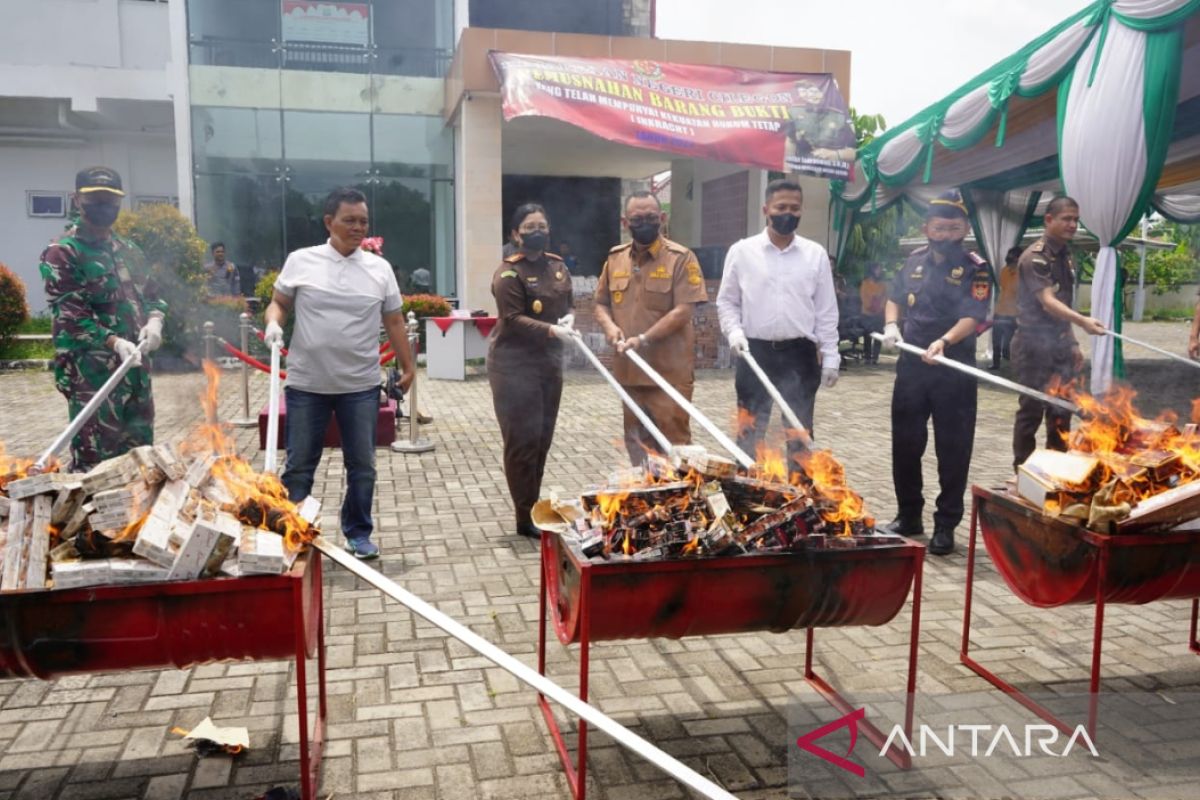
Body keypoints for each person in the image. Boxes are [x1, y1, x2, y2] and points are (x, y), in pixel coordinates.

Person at [264, 187, 415, 560]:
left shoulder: (379, 269)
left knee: (362, 466)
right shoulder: (302, 260)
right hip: (306, 384)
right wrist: (273, 324)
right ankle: (292, 530)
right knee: (300, 465)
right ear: (329, 222)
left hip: (360, 385)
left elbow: (394, 320)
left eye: (363, 221)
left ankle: (358, 532)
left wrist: (409, 366)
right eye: (349, 220)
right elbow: (279, 303)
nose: (357, 227)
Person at [879, 190, 991, 556]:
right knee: (906, 445)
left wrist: (944, 341)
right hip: (912, 367)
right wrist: (893, 326)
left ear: (965, 229)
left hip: (953, 368)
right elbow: (894, 297)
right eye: (938, 227)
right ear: (926, 227)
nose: (944, 234)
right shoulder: (913, 261)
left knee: (953, 449)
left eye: (953, 228)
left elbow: (974, 316)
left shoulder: (977, 268)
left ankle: (946, 525)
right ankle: (909, 516)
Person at [39, 166, 166, 471]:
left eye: (110, 200)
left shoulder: (128, 249)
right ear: (77, 200)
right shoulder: (63, 252)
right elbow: (71, 315)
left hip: (135, 371)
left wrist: (155, 319)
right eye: (94, 198)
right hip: (92, 376)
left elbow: (152, 293)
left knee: (141, 460)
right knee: (96, 465)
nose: (103, 206)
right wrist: (113, 341)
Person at [717, 178, 840, 471]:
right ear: (766, 209)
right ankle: (747, 494)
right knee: (749, 430)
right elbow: (727, 301)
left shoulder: (815, 254)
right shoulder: (742, 251)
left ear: (801, 211)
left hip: (800, 355)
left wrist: (831, 355)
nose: (788, 213)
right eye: (781, 207)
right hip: (755, 351)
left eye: (794, 208)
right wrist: (734, 331)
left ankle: (799, 500)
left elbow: (826, 310)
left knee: (799, 431)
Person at [595, 191, 708, 465]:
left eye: (650, 217)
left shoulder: (681, 258)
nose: (644, 222)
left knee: (676, 451)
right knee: (638, 450)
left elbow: (684, 310)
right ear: (625, 222)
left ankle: (680, 507)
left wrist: (643, 338)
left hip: (668, 376)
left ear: (662, 218)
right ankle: (645, 505)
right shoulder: (615, 259)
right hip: (630, 374)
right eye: (637, 218)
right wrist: (610, 327)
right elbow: (600, 303)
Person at [487, 203, 574, 538]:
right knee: (522, 442)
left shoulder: (557, 266)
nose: (537, 231)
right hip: (514, 367)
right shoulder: (509, 273)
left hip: (549, 366)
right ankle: (525, 518)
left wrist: (568, 319)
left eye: (542, 225)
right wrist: (552, 331)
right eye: (529, 226)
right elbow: (511, 319)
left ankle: (533, 506)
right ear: (515, 234)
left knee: (541, 440)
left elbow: (567, 304)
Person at [1012, 196, 1105, 470]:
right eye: (1066, 219)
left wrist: (1073, 342)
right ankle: (1024, 472)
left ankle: (1055, 470)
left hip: (1060, 345)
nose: (1073, 224)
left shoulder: (1065, 255)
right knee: (1031, 411)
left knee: (1061, 412)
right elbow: (1048, 302)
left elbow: (1062, 303)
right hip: (1032, 345)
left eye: (1076, 219)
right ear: (1049, 220)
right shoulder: (1035, 257)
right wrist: (1084, 322)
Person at [990, 246, 1023, 370]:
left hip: (1014, 314)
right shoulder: (1004, 271)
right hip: (999, 311)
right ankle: (995, 363)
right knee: (996, 340)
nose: (1010, 259)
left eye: (1013, 256)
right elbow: (1003, 287)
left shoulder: (1023, 274)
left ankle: (1011, 361)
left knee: (1009, 342)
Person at [859, 262, 887, 364]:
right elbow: (863, 297)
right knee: (867, 336)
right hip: (867, 314)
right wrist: (870, 306)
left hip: (879, 314)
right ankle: (867, 357)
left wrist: (880, 308)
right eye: (877, 269)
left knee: (878, 336)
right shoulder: (865, 283)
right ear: (872, 270)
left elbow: (885, 297)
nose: (879, 271)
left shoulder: (883, 284)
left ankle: (875, 358)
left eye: (880, 269)